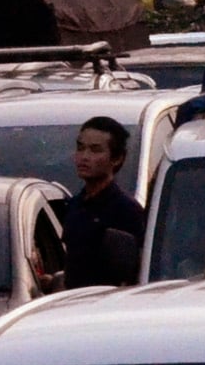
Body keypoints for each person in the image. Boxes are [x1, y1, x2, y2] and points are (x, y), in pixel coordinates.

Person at [57, 118, 147, 286]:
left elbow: (134, 272)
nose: (84, 157)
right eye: (80, 148)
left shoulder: (127, 211)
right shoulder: (75, 205)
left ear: (117, 158)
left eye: (95, 150)